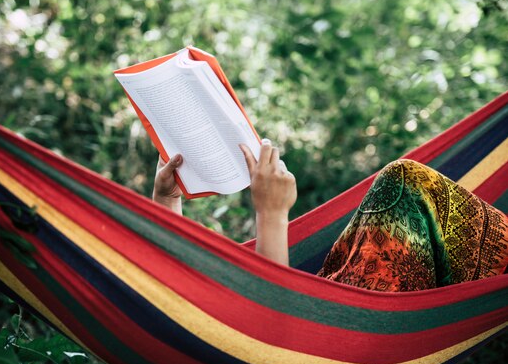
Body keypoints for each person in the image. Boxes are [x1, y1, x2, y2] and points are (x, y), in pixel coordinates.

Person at [152, 140, 508, 292]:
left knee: (402, 181)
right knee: (403, 180)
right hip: (361, 330)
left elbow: (183, 305)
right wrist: (271, 214)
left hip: (343, 310)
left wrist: (167, 202)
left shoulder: (184, 344)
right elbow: (271, 330)